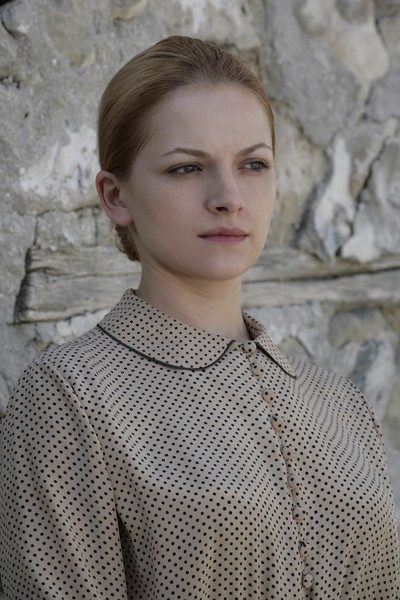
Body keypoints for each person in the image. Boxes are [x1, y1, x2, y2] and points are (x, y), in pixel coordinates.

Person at [0, 35, 399, 600]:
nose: (229, 196)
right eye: (187, 168)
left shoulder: (340, 405)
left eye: (253, 164)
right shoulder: (70, 397)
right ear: (116, 197)